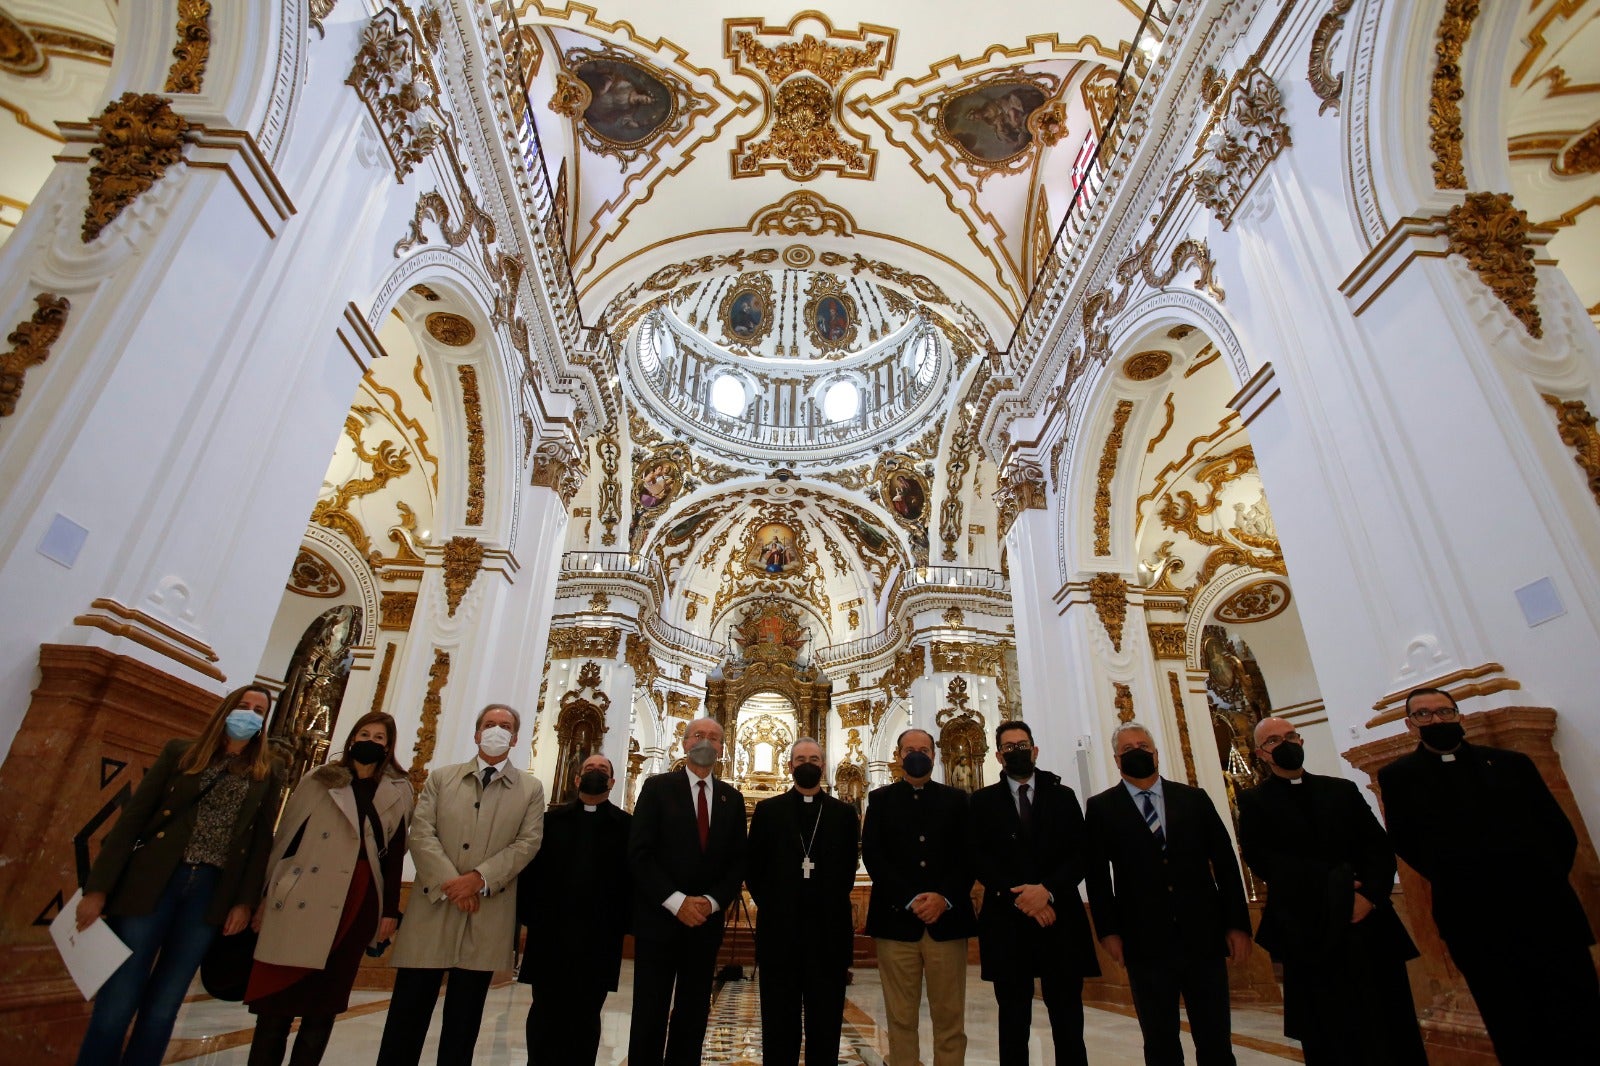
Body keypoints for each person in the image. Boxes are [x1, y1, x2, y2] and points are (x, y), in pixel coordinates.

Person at [1378, 687, 1600, 1063]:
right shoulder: (1399, 777)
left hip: (1545, 910)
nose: (1436, 719)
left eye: (1444, 712)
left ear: (1459, 715)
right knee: (1511, 1020)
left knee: (1577, 1011)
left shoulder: (1512, 763)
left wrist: (1538, 882)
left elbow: (1558, 831)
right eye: (1424, 714)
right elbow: (1408, 843)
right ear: (1410, 724)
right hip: (1474, 919)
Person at [74, 685, 283, 1066]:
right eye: (244, 706)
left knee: (164, 1004)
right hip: (153, 881)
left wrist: (244, 901)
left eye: (258, 711)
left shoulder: (267, 772)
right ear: (226, 710)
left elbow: (260, 843)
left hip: (209, 892)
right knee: (119, 997)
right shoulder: (181, 753)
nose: (250, 714)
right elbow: (133, 819)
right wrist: (98, 888)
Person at [1236, 716, 1427, 1065]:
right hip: (1307, 926)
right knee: (1328, 1030)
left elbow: (1378, 848)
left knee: (1389, 1021)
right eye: (1274, 741)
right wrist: (1337, 887)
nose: (1285, 744)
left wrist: (1369, 897)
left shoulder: (1341, 790)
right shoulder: (1254, 802)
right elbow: (1265, 861)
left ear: (1301, 741)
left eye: (1291, 736)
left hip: (1368, 922)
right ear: (1261, 753)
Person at [375, 705, 545, 1066]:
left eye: (505, 726)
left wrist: (479, 879)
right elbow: (422, 833)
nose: (496, 731)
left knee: (463, 1024)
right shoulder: (442, 778)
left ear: (515, 738)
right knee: (406, 1017)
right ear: (477, 733)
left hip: (485, 913)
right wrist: (452, 884)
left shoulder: (530, 789)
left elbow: (527, 843)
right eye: (489, 724)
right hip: (433, 907)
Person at [244, 710, 413, 1066]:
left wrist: (389, 910)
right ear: (352, 739)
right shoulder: (319, 779)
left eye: (379, 738)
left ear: (388, 747)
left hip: (357, 898)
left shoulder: (398, 792)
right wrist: (264, 897)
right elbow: (286, 840)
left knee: (324, 1005)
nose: (370, 742)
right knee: (276, 1004)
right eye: (364, 735)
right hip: (301, 894)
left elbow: (394, 855)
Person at [1084, 722, 1252, 1066]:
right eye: (1128, 749)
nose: (1137, 753)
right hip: (1144, 939)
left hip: (1202, 934)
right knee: (1160, 1040)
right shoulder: (1102, 807)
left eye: (1143, 747)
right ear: (1116, 760)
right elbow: (1098, 876)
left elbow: (1225, 863)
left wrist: (1237, 923)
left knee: (1215, 1038)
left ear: (1156, 754)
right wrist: (1108, 931)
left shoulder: (1193, 799)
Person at [969, 720, 1100, 1066]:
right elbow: (979, 858)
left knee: (1068, 1021)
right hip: (1008, 922)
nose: (1017, 751)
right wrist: (1023, 898)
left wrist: (1047, 891)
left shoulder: (1062, 796)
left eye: (1022, 745)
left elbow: (1080, 853)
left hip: (1059, 919)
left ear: (1035, 750)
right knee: (1013, 1023)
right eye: (1009, 747)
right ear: (998, 756)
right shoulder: (982, 802)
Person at [627, 717, 748, 1066]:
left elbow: (738, 861)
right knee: (649, 1010)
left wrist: (711, 902)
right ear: (684, 743)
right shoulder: (656, 787)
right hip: (659, 919)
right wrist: (676, 901)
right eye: (698, 735)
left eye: (714, 737)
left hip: (705, 924)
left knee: (694, 1011)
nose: (706, 742)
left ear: (723, 748)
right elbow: (640, 853)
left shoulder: (731, 798)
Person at [861, 727, 976, 1066]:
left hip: (947, 920)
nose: (916, 755)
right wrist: (910, 898)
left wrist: (944, 897)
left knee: (950, 1017)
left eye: (923, 750)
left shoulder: (957, 800)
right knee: (900, 1017)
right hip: (896, 920)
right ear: (898, 757)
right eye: (909, 750)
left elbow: (969, 856)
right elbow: (874, 856)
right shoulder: (880, 800)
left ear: (934, 756)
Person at [745, 738, 861, 1066]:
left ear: (823, 766)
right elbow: (754, 870)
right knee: (778, 1024)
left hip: (829, 936)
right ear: (790, 766)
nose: (807, 764)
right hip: (779, 936)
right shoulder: (769, 812)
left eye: (813, 759)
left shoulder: (843, 814)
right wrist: (778, 909)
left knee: (826, 1025)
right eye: (800, 759)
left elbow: (847, 873)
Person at [516, 753, 632, 1066]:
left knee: (588, 1014)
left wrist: (620, 925)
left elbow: (630, 882)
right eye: (589, 768)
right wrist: (530, 918)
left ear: (612, 782)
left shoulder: (626, 827)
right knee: (543, 1010)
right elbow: (530, 874)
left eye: (602, 769)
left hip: (599, 937)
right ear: (577, 779)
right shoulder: (549, 821)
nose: (596, 772)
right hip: (550, 934)